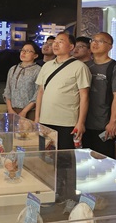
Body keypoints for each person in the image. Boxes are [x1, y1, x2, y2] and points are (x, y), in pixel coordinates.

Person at [35, 32, 91, 202]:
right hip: (45, 122)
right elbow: (40, 92)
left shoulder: (79, 67)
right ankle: (51, 193)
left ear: (71, 47)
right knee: (46, 160)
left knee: (67, 163)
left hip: (67, 123)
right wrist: (37, 118)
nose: (56, 44)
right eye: (55, 42)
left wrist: (80, 122)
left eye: (61, 41)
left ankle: (69, 197)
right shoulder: (46, 66)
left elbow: (84, 96)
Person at [83, 32, 116, 159]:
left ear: (110, 46)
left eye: (100, 41)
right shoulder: (85, 66)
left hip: (104, 123)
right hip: (84, 122)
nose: (95, 43)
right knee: (85, 159)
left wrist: (113, 121)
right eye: (93, 40)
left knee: (103, 160)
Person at [3, 41, 41, 120]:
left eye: (28, 51)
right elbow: (7, 90)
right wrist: (10, 109)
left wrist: (24, 111)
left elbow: (38, 93)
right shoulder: (13, 69)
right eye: (22, 50)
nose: (23, 53)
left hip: (30, 111)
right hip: (12, 110)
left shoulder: (38, 70)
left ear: (35, 55)